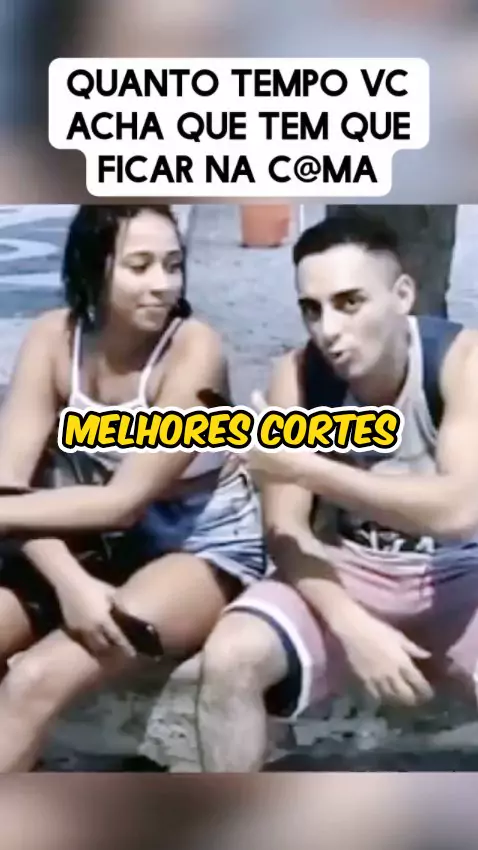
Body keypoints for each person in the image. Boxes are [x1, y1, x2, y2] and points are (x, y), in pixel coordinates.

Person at [196, 210, 478, 772]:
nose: (328, 330)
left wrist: (308, 469)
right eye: (313, 309)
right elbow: (284, 530)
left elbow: (460, 510)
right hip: (348, 573)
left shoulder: (459, 360)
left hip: (459, 576)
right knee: (230, 657)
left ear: (402, 295)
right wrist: (353, 626)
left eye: (350, 303)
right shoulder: (300, 376)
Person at [0, 203, 266, 771]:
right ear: (93, 268)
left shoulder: (194, 350)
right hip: (85, 539)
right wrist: (69, 580)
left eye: (172, 265)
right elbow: (10, 487)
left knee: (37, 676)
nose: (162, 284)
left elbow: (123, 502)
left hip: (199, 542)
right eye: (139, 266)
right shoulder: (54, 339)